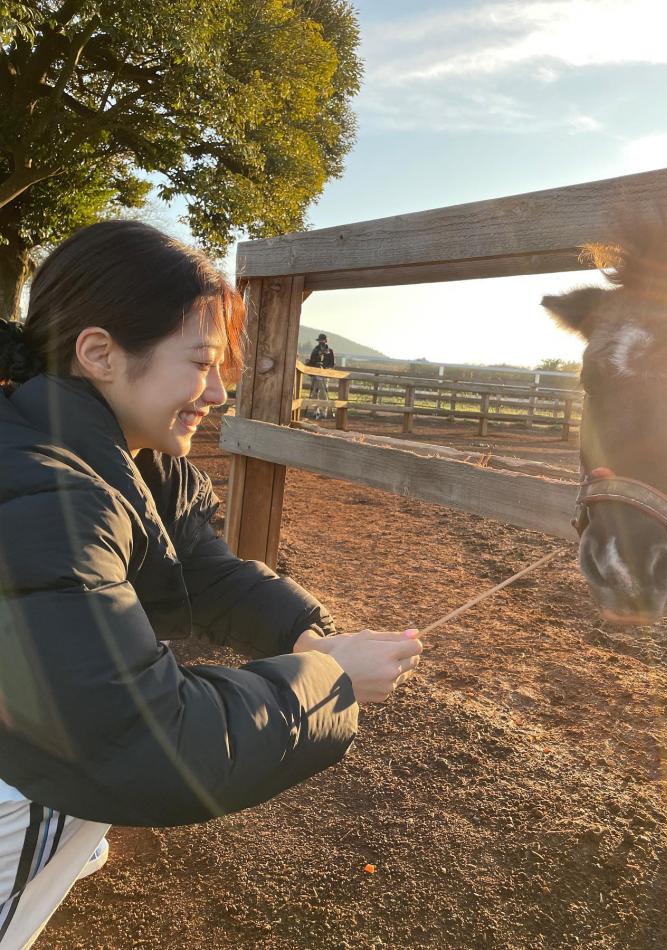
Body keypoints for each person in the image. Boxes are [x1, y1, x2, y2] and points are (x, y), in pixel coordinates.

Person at [0, 221, 423, 947]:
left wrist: (304, 631)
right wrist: (329, 680)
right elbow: (140, 744)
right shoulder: (53, 493)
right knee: (59, 800)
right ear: (99, 352)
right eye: (202, 362)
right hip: (22, 776)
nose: (222, 392)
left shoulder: (117, 454)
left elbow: (195, 567)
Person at [306, 333, 335, 419]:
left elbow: (332, 364)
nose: (321, 342)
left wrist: (326, 369)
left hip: (324, 374)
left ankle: (324, 411)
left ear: (325, 341)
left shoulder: (330, 351)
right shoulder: (315, 350)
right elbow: (311, 361)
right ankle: (315, 411)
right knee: (314, 393)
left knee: (323, 393)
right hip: (315, 373)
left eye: (322, 340)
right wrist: (316, 362)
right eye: (320, 340)